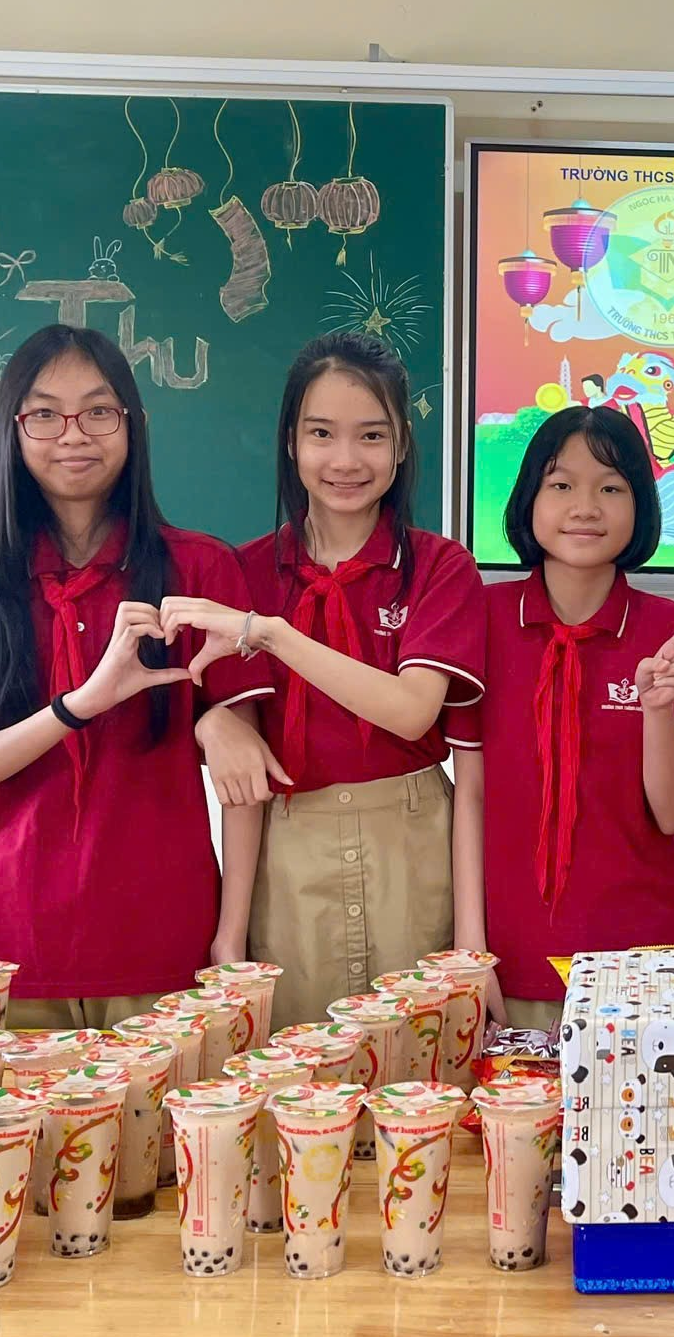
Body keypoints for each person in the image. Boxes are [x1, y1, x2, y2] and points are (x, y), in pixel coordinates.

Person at [0, 324, 272, 1029]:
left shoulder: (199, 570)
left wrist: (232, 935)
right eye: (44, 413)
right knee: (22, 1139)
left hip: (164, 939)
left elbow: (243, 783)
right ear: (12, 431)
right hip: (14, 943)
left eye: (99, 411)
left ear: (132, 426)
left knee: (166, 1140)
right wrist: (78, 706)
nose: (73, 434)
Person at [160, 332, 486, 1034]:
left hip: (413, 841)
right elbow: (245, 777)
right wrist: (231, 931)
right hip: (287, 847)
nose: (345, 460)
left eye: (371, 435)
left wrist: (272, 632)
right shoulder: (241, 574)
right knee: (299, 1080)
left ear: (401, 445)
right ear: (290, 442)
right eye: (321, 434)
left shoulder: (440, 567)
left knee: (422, 1077)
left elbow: (410, 711)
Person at [444, 406, 674, 1030]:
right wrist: (471, 947)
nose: (585, 506)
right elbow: (472, 794)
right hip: (509, 954)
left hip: (643, 963)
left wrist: (658, 712)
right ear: (529, 498)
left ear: (642, 505)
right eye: (562, 484)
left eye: (611, 487)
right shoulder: (482, 620)